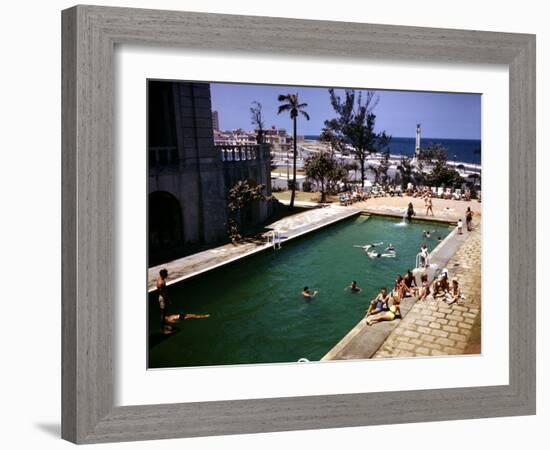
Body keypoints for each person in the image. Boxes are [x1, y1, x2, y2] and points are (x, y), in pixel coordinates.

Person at [156, 268, 171, 334]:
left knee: (165, 313)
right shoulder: (160, 283)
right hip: (162, 299)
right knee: (163, 314)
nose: (167, 274)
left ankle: (165, 326)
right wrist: (167, 300)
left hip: (164, 298)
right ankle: (162, 329)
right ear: (163, 274)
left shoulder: (162, 279)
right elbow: (162, 293)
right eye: (166, 273)